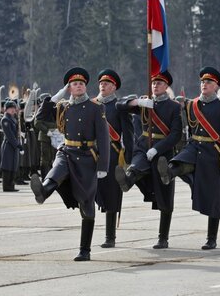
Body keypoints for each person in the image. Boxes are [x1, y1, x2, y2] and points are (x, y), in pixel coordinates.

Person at [30, 67, 110, 262]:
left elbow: (104, 138)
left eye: (81, 83)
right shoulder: (63, 106)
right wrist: (55, 98)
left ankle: (85, 250)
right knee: (56, 171)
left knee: (86, 204)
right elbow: (38, 119)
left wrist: (103, 167)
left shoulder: (96, 107)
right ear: (70, 88)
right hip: (67, 151)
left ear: (85, 87)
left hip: (86, 157)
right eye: (74, 84)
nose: (78, 86)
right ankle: (42, 192)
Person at [158, 67, 220, 250]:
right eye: (202, 82)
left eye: (209, 82)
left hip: (212, 152)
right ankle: (168, 173)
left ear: (216, 86)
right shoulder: (192, 104)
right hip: (194, 146)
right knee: (178, 161)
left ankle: (211, 238)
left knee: (213, 197)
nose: (204, 85)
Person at [114, 71, 182, 249]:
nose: (155, 86)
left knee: (164, 196)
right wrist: (137, 102)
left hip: (162, 152)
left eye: (159, 83)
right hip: (143, 147)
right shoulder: (145, 103)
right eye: (153, 83)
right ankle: (126, 181)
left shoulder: (174, 107)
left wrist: (157, 148)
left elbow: (176, 135)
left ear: (166, 87)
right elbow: (119, 106)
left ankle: (163, 237)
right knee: (135, 168)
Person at [94, 69, 134, 248]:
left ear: (114, 87)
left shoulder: (119, 106)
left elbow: (128, 133)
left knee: (111, 195)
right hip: (92, 154)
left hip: (112, 154)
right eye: (101, 83)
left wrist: (129, 159)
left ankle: (110, 237)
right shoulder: (92, 105)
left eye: (107, 84)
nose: (103, 86)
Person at [0, 100, 22, 192]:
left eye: (14, 108)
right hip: (9, 145)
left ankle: (11, 185)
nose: (13, 110)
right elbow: (9, 135)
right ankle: (6, 186)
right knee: (7, 165)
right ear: (6, 109)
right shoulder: (5, 119)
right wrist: (17, 145)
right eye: (11, 108)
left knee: (13, 165)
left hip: (14, 144)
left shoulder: (13, 119)